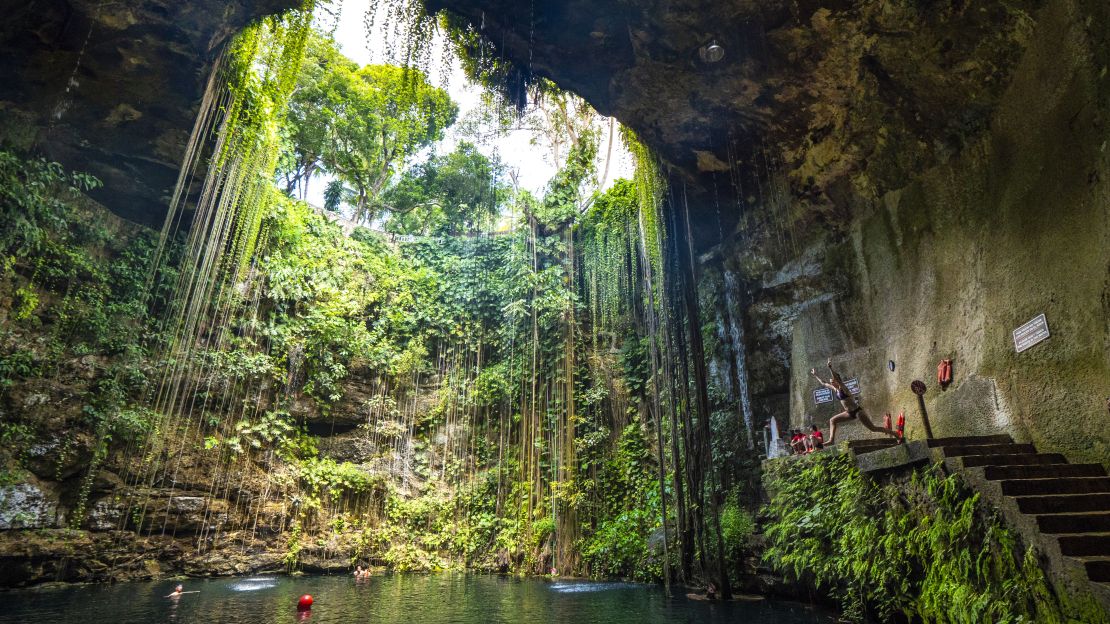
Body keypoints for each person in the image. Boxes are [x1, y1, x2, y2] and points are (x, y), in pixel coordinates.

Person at [811, 358, 899, 444]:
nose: (831, 383)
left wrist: (830, 368)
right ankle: (831, 440)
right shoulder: (835, 389)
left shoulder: (844, 389)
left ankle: (895, 433)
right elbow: (823, 383)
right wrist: (815, 375)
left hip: (857, 412)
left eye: (832, 381)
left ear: (837, 382)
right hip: (848, 413)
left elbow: (837, 379)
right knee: (832, 420)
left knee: (873, 428)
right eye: (831, 382)